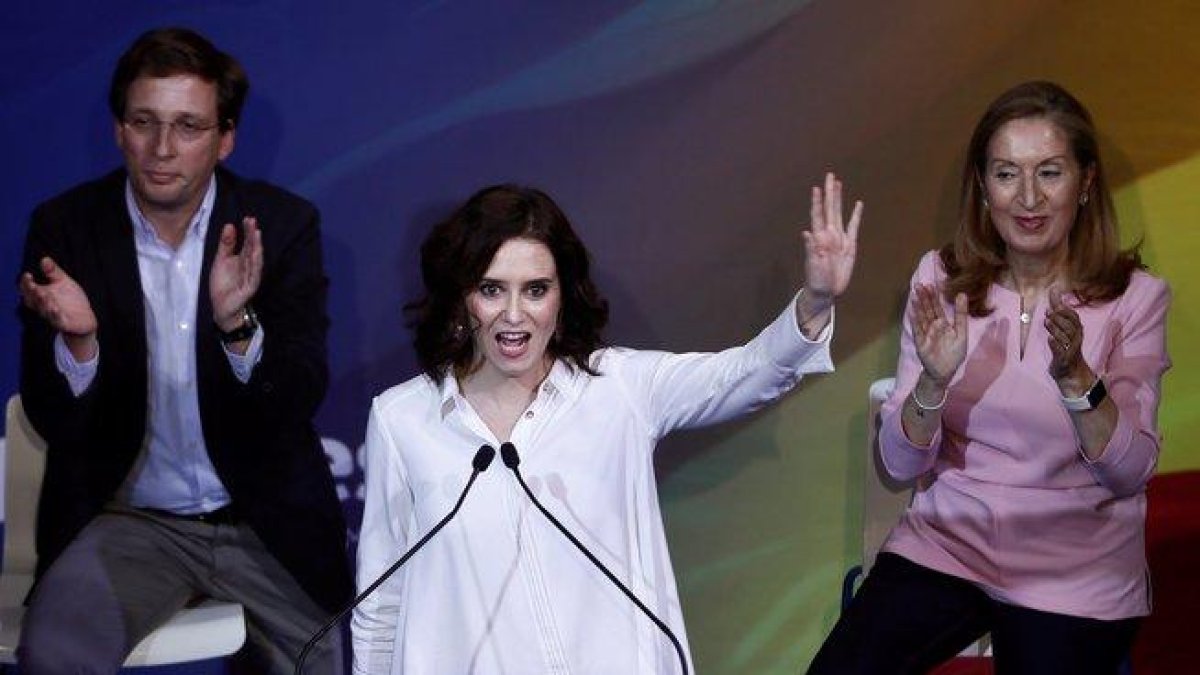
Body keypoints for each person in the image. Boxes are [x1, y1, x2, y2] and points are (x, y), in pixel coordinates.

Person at [351, 178, 862, 673]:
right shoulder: (403, 419)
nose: (514, 314)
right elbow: (380, 604)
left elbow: (743, 375)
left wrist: (815, 303)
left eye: (535, 290)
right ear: (463, 298)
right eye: (491, 289)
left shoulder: (618, 388)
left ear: (562, 297)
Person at [16, 27, 352, 674]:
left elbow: (300, 392)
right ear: (119, 130)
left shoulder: (280, 226)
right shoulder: (66, 229)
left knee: (330, 660)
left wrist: (236, 324)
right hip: (128, 522)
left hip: (263, 521)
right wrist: (80, 341)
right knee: (54, 656)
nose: (162, 148)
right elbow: (51, 416)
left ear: (225, 139)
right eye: (144, 122)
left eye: (189, 126)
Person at [807, 81, 1171, 675]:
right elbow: (898, 465)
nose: (1028, 197)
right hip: (949, 541)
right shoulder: (940, 278)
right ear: (982, 185)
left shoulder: (1135, 298)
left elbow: (1129, 472)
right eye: (1006, 174)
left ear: (1085, 182)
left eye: (1049, 172)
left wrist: (1079, 381)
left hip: (1074, 566)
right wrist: (932, 383)